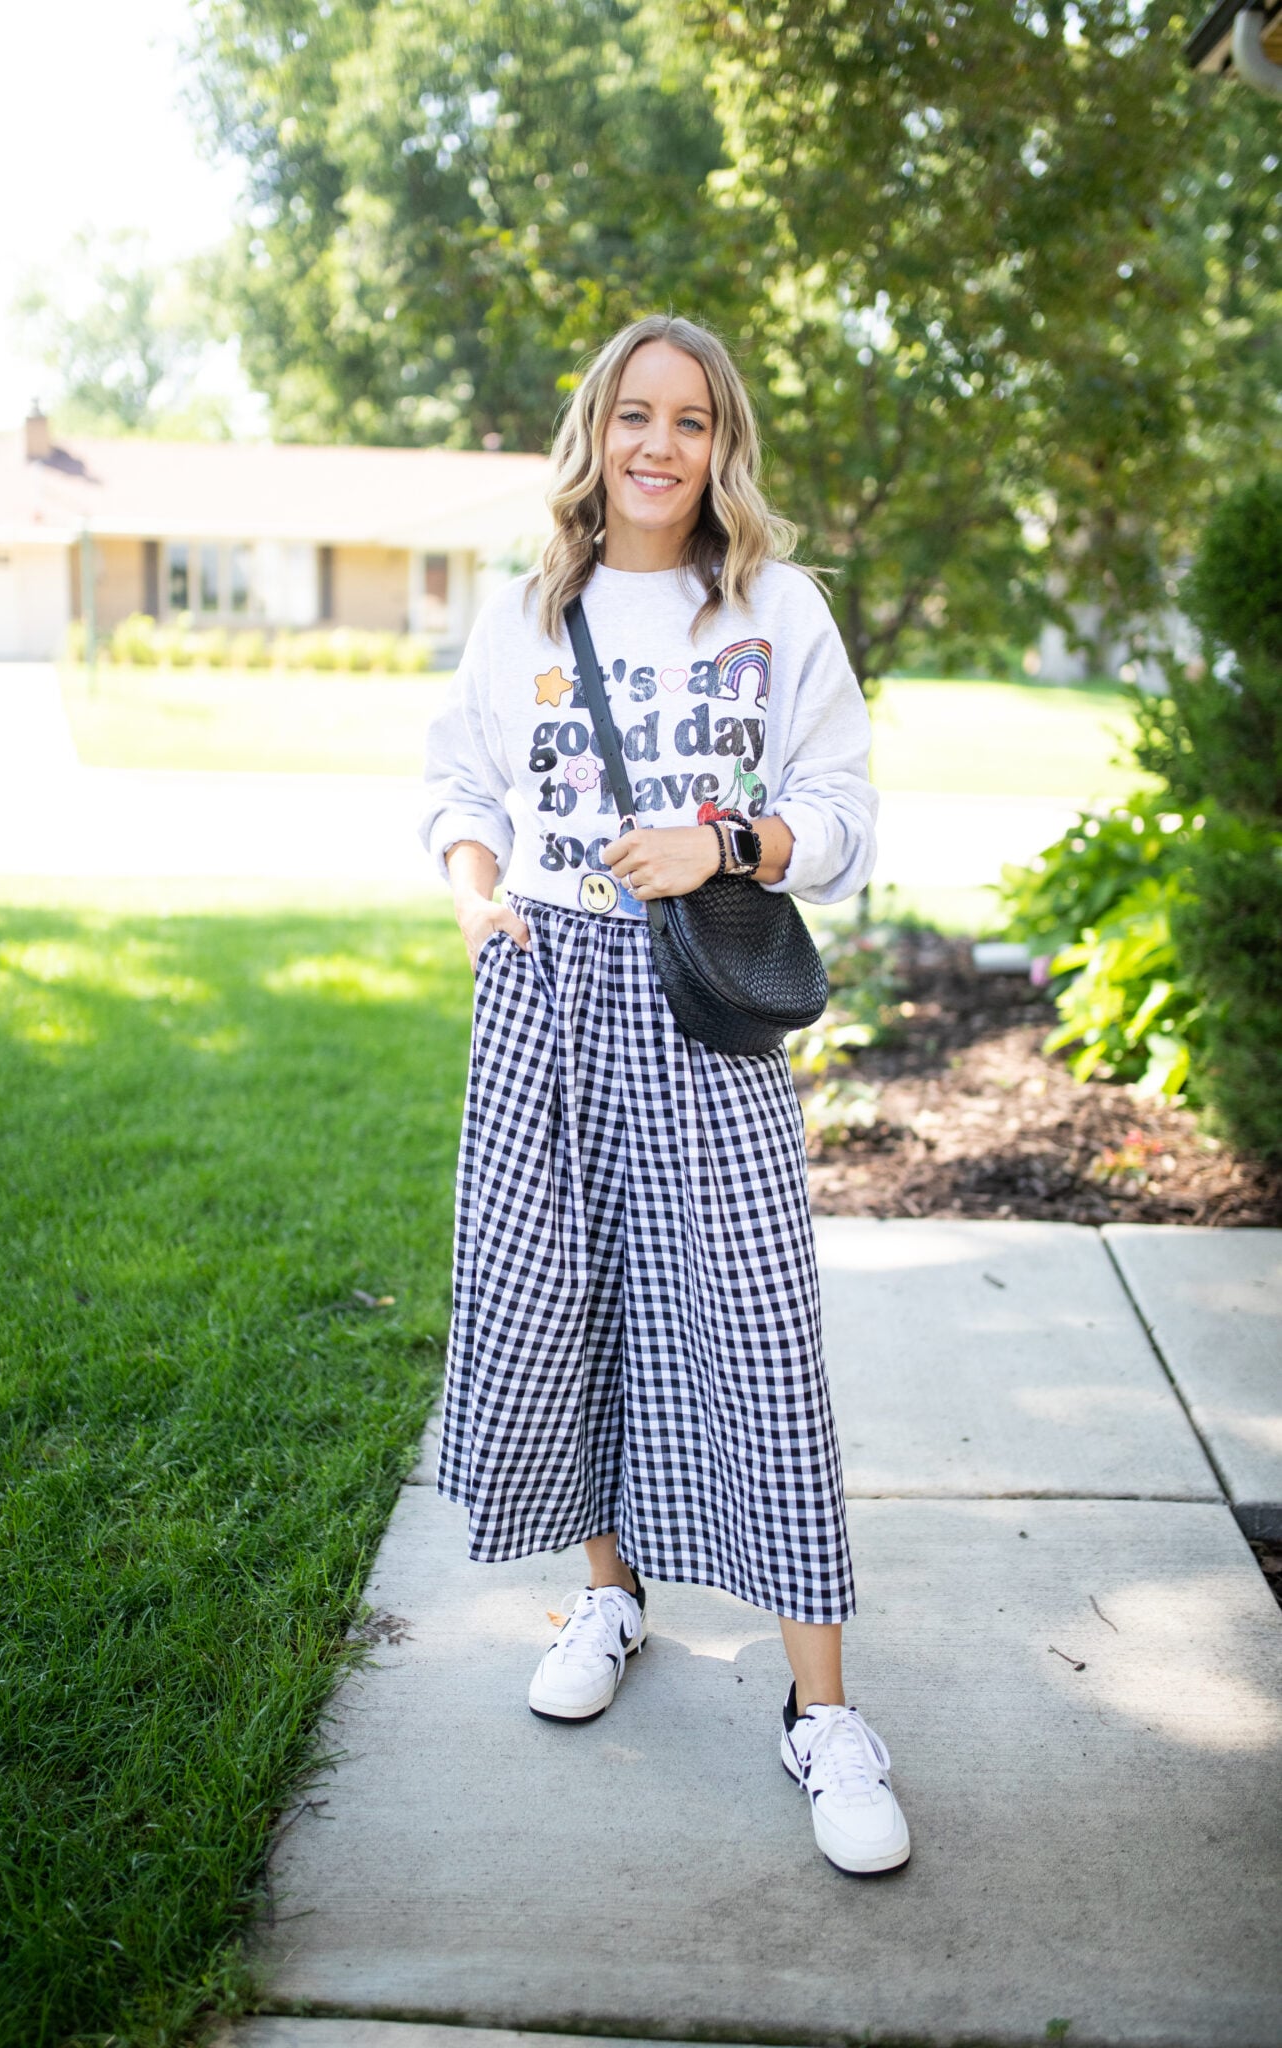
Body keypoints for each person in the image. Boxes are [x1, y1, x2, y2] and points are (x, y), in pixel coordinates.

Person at [418, 312, 909, 1875]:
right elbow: (456, 782)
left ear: (721, 445)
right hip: (548, 986)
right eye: (634, 414)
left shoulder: (776, 610)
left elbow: (842, 815)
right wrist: (476, 897)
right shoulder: (524, 614)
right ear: (596, 430)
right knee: (572, 1303)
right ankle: (608, 1593)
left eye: (689, 422)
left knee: (757, 1329)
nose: (657, 446)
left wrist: (728, 845)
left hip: (701, 999)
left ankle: (820, 1712)